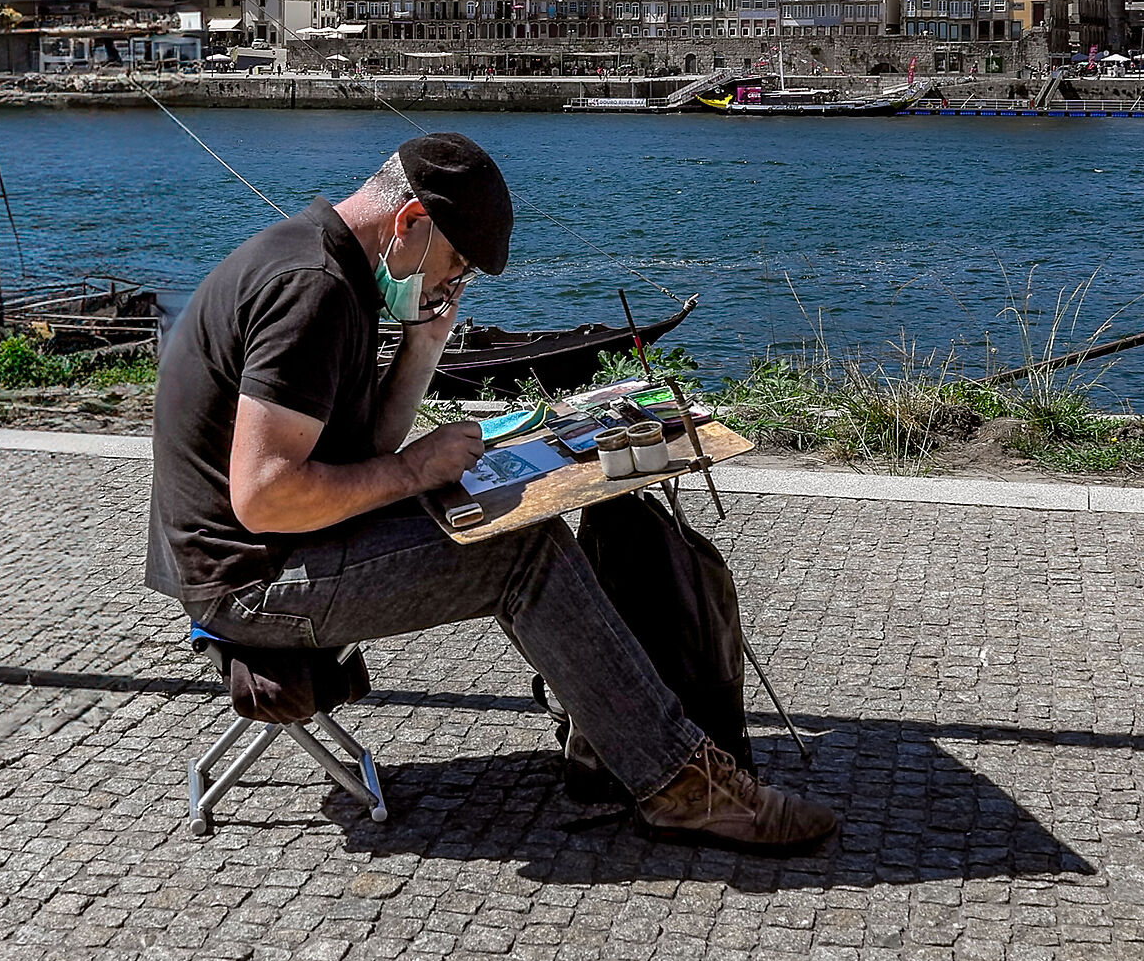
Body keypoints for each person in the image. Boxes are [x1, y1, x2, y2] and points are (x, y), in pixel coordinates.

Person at [147, 132, 839, 854]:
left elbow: (365, 453)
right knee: (523, 553)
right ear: (410, 221)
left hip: (267, 554)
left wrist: (421, 347)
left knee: (519, 522)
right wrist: (417, 473)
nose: (455, 285)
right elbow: (266, 496)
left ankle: (610, 740)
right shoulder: (312, 291)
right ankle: (684, 788)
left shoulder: (327, 265)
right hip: (251, 584)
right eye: (456, 263)